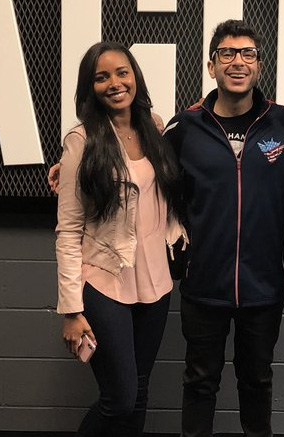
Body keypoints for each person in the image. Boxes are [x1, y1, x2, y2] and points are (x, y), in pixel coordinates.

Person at [163, 20, 284, 437]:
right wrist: (76, 165)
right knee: (200, 381)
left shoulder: (283, 125)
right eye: (227, 54)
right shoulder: (185, 128)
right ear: (212, 66)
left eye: (247, 54)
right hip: (203, 283)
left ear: (259, 65)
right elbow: (149, 183)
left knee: (257, 381)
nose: (238, 62)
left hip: (263, 286)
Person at [55, 41, 186, 437]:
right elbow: (68, 229)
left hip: (155, 283)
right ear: (90, 87)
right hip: (104, 280)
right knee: (120, 398)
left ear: (135, 77)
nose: (115, 83)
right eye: (102, 77)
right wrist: (71, 310)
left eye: (122, 73)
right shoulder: (82, 141)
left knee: (141, 392)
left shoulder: (155, 127)